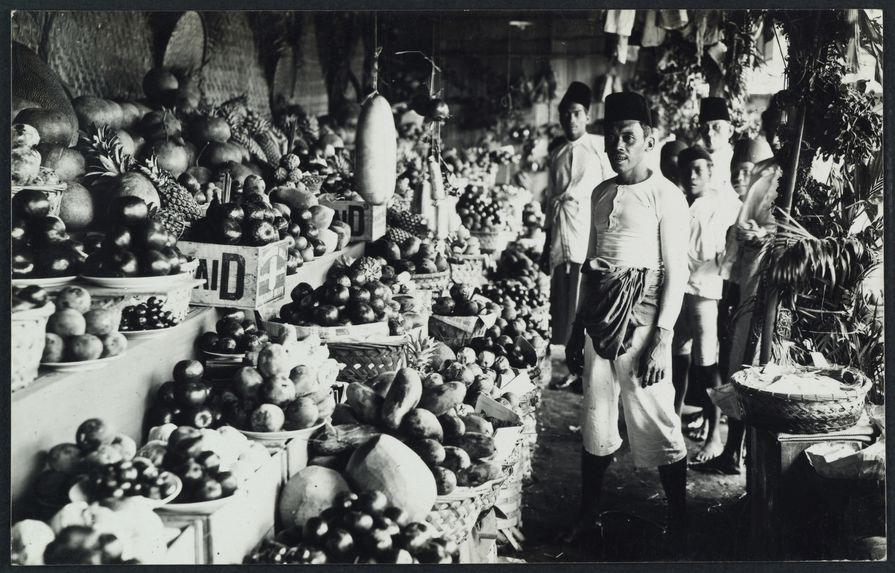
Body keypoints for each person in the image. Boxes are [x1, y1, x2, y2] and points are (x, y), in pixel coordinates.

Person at [563, 91, 690, 550]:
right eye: (613, 137)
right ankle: (587, 515)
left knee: (655, 416)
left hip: (642, 328)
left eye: (629, 137)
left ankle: (679, 519)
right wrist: (577, 330)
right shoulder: (600, 193)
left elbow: (677, 272)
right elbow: (590, 267)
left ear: (649, 140)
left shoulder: (667, 197)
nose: (619, 146)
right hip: (600, 325)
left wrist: (662, 338)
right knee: (595, 416)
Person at [540, 81, 613, 391]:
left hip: (588, 233)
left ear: (587, 115)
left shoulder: (599, 147)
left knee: (586, 304)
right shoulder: (556, 152)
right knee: (564, 307)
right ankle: (571, 368)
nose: (571, 120)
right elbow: (552, 197)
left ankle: (588, 372)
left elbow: (611, 190)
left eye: (576, 114)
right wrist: (547, 244)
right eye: (565, 114)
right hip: (562, 231)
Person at [674, 146, 742, 463]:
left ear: (710, 171)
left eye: (699, 170)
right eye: (687, 170)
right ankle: (672, 420)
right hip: (677, 291)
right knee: (678, 357)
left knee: (707, 363)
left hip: (703, 290)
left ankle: (715, 435)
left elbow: (725, 253)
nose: (692, 176)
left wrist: (701, 268)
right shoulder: (675, 200)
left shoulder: (721, 205)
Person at [698, 97, 735, 192]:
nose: (709, 133)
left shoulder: (736, 162)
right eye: (705, 127)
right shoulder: (696, 161)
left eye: (716, 127)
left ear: (730, 131)